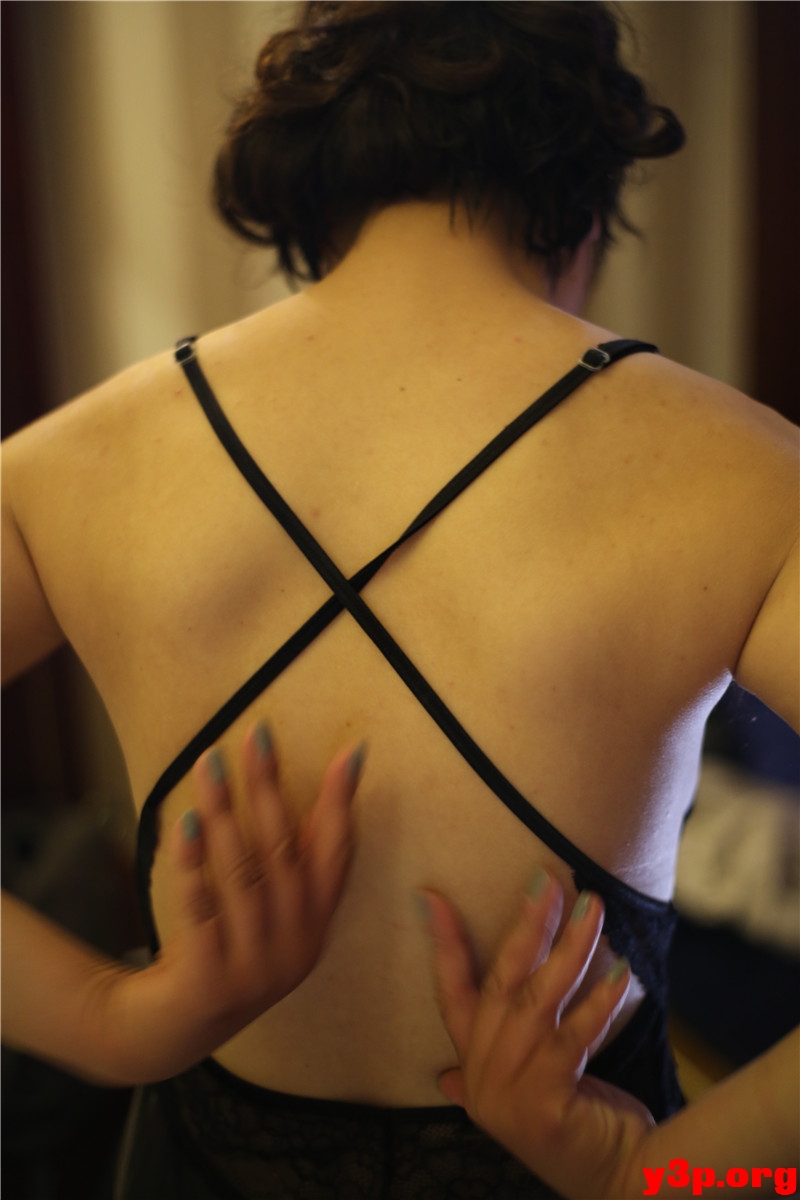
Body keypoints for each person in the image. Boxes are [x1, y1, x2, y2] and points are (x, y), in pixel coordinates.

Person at [1, 1, 797, 1196]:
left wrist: (110, 1022)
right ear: (584, 206)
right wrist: (667, 1180)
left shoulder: (70, 465)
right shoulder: (747, 474)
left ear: (309, 199)